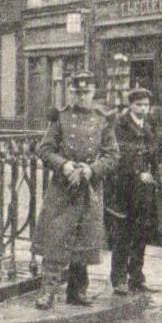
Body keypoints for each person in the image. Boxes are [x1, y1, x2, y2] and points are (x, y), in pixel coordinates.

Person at [32, 68, 118, 309]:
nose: (81, 97)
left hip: (89, 189)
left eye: (86, 92)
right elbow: (45, 150)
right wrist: (64, 165)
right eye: (77, 93)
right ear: (71, 93)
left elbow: (113, 155)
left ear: (93, 93)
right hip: (63, 189)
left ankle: (77, 291)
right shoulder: (60, 118)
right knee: (56, 239)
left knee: (83, 239)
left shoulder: (102, 119)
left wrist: (92, 169)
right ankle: (47, 291)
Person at [105, 86, 162, 295]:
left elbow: (156, 152)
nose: (143, 109)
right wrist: (137, 172)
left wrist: (152, 168)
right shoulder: (120, 125)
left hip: (146, 189)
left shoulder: (149, 125)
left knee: (141, 233)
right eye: (139, 105)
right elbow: (118, 155)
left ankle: (136, 277)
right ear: (130, 105)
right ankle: (118, 279)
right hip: (124, 188)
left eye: (146, 105)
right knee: (123, 234)